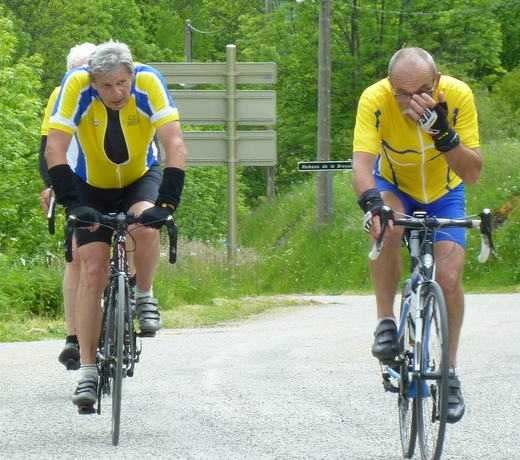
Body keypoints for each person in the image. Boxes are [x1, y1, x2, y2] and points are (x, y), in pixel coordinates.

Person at [45, 41, 187, 408]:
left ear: (131, 75)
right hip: (89, 184)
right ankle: (88, 370)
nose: (116, 92)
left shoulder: (149, 81)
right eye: (106, 86)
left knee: (146, 223)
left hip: (141, 176)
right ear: (92, 81)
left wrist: (168, 203)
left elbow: (174, 143)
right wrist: (73, 204)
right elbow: (55, 148)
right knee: (91, 268)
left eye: (122, 83)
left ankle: (144, 295)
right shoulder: (74, 85)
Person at [352, 47, 481, 423]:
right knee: (388, 226)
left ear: (437, 81)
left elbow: (472, 173)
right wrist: (372, 204)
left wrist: (443, 134)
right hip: (394, 185)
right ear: (389, 86)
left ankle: (449, 373)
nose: (413, 102)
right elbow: (360, 164)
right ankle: (386, 323)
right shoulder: (375, 99)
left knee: (449, 278)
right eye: (403, 94)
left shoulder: (458, 96)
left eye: (423, 90)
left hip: (446, 193)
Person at [39, 42, 97, 371]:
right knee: (76, 255)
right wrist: (51, 185)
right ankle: (73, 336)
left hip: (113, 177)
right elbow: (46, 146)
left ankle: (129, 295)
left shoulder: (112, 92)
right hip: (73, 179)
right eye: (76, 73)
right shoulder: (60, 95)